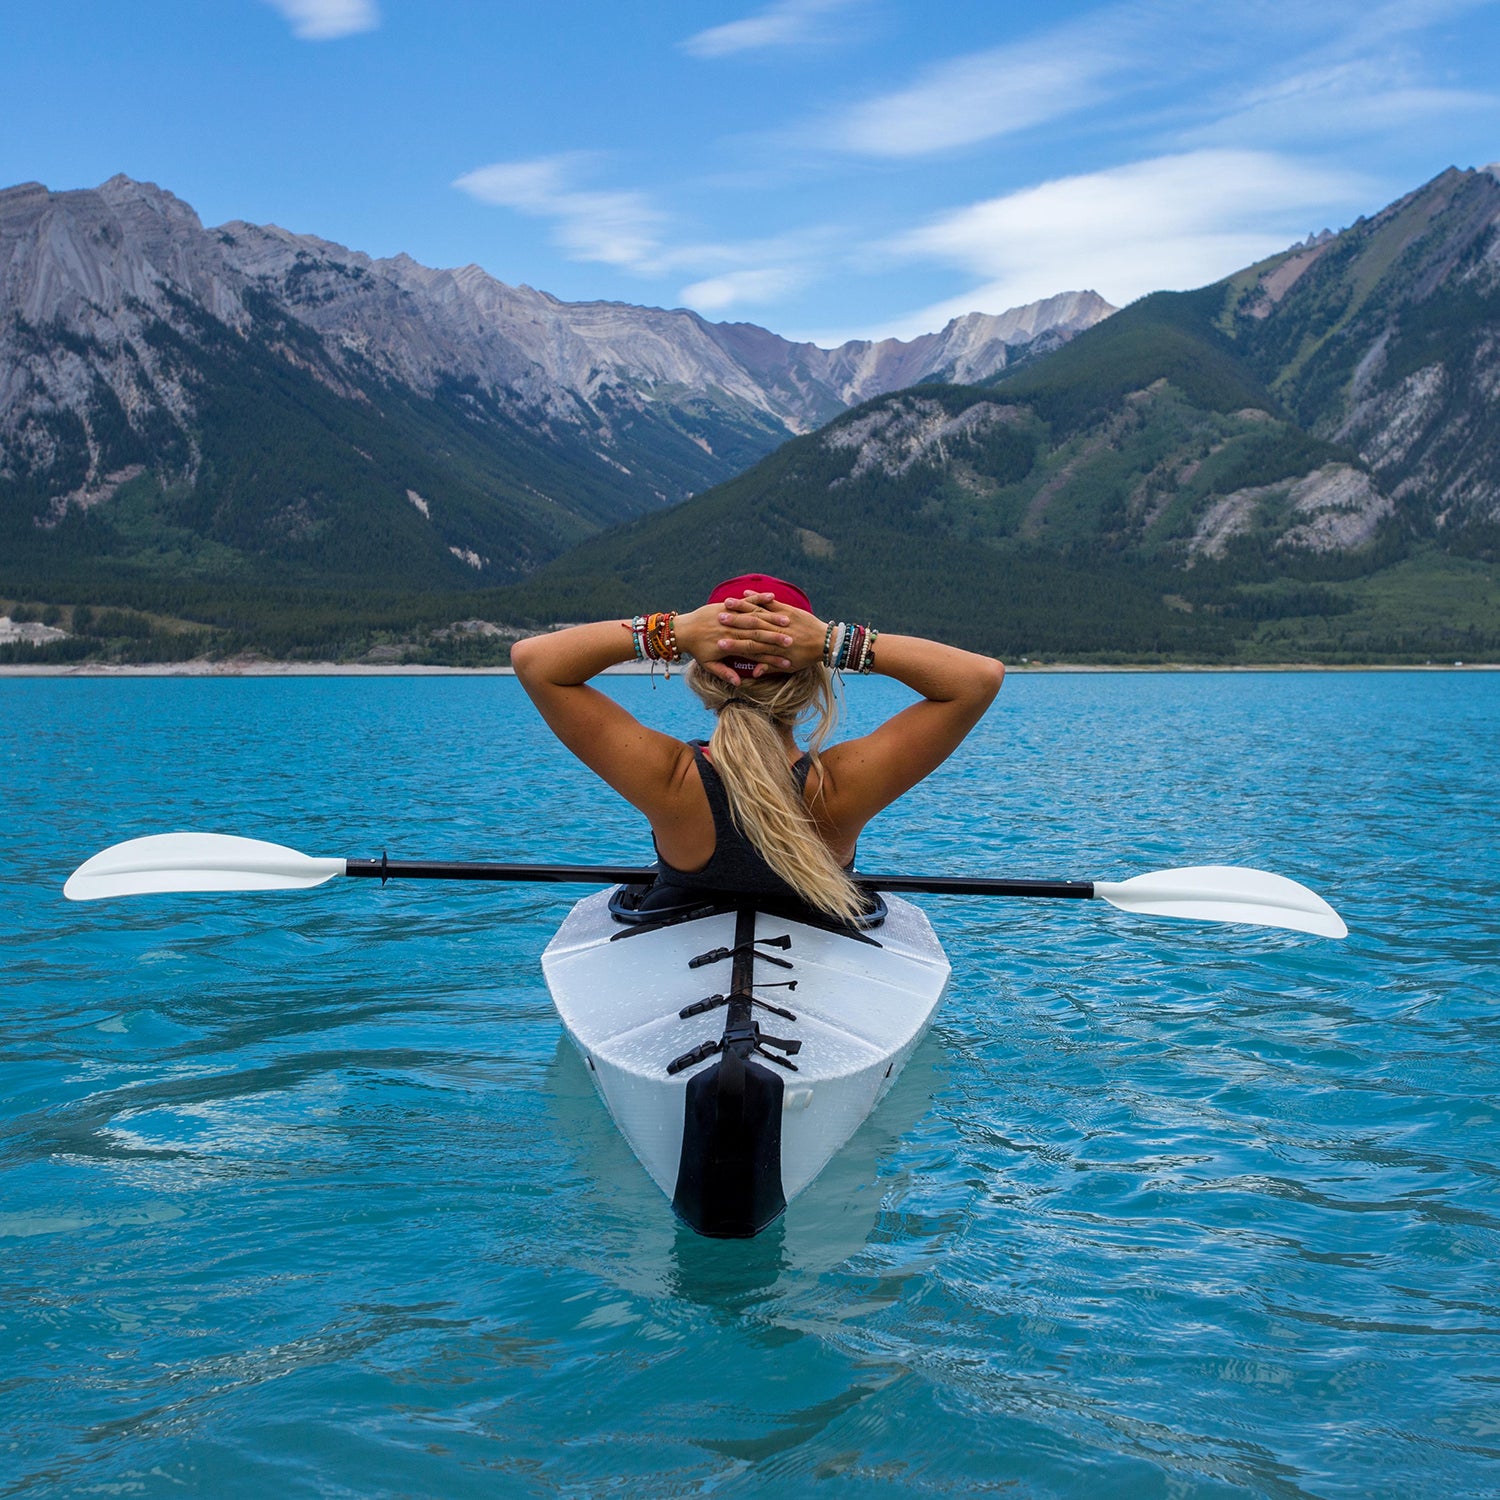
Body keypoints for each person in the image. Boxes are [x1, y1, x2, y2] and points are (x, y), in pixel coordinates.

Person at [511, 574, 1005, 923]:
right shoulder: (840, 787)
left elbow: (535, 662)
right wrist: (834, 639)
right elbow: (978, 678)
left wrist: (674, 631)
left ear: (702, 673)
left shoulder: (668, 779)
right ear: (812, 677)